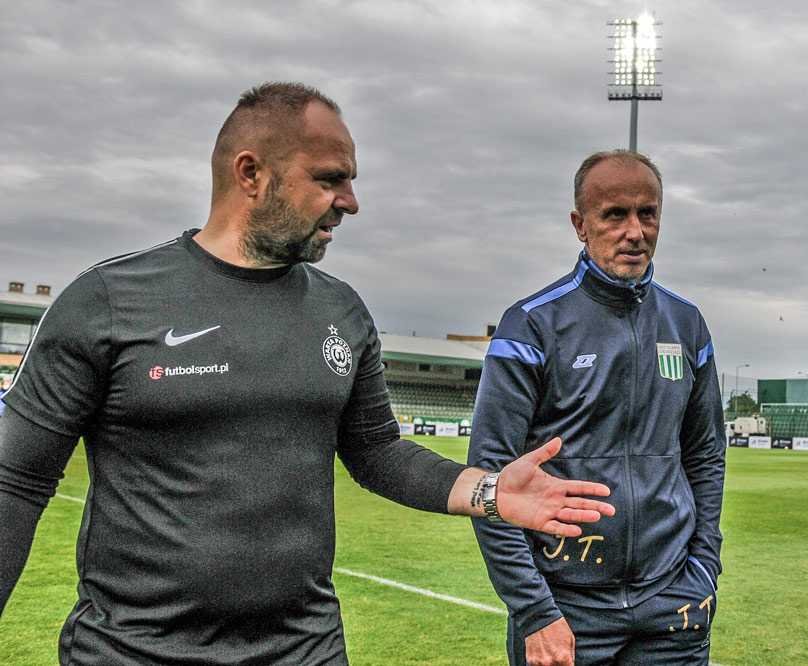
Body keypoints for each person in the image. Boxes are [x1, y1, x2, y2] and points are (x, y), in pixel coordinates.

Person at [0, 82, 615, 666]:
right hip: (132, 652)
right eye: (330, 179)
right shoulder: (109, 300)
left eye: (350, 180)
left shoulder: (340, 311)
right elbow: (15, 481)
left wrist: (488, 492)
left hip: (306, 648)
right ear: (251, 174)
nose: (350, 200)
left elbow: (376, 451)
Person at [468, 150, 726, 666]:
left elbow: (705, 455)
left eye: (648, 213)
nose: (635, 231)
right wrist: (535, 611)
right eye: (615, 215)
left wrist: (703, 567)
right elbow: (491, 479)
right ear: (580, 225)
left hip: (672, 600)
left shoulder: (687, 323)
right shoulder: (532, 324)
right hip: (567, 608)